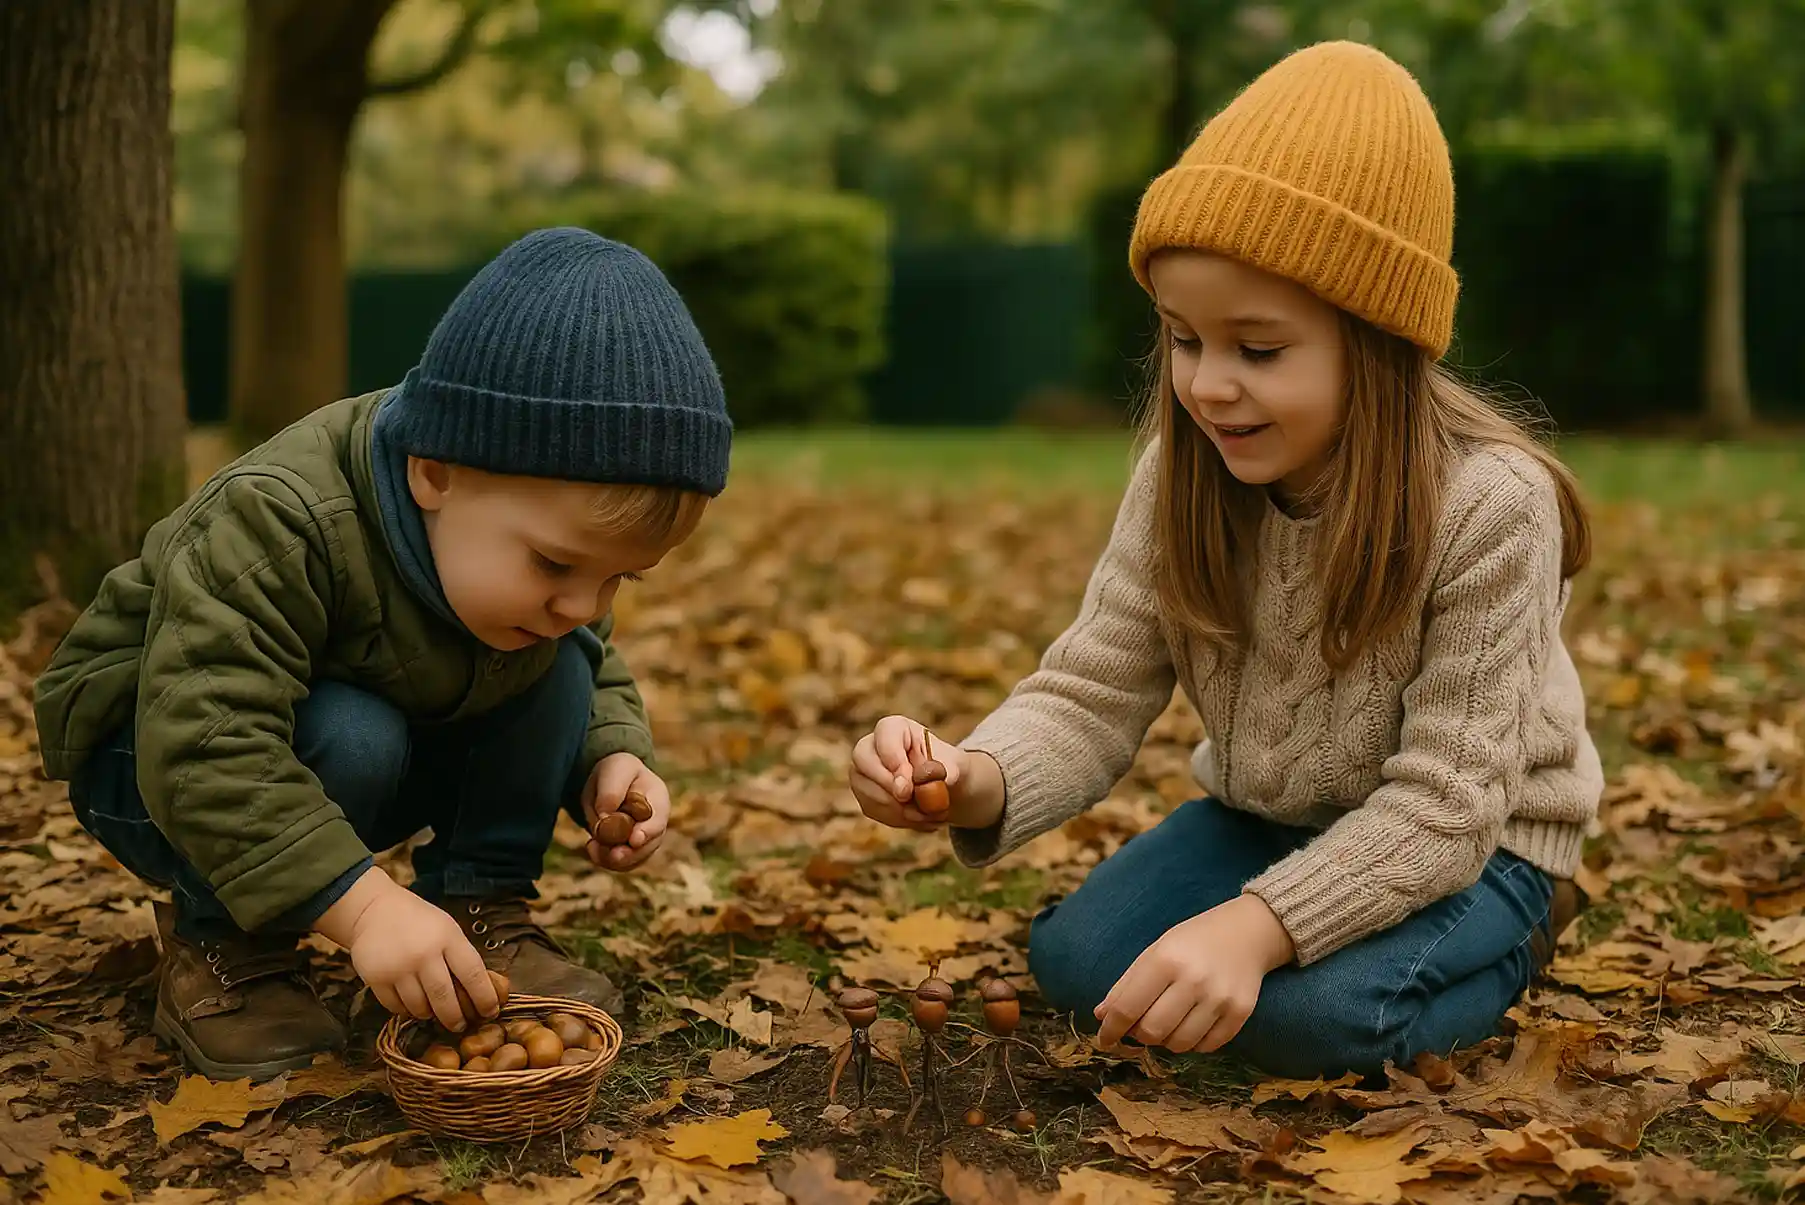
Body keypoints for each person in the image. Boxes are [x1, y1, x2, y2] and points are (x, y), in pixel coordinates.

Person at [847, 41, 1602, 1080]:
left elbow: (1444, 809)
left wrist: (1248, 934)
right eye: (1182, 338)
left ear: (1378, 340)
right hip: (1268, 819)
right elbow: (1088, 691)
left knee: (1319, 1020)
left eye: (1256, 348)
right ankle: (1280, 924)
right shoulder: (1181, 473)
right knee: (1075, 960)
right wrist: (964, 775)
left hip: (1477, 848)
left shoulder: (1490, 504)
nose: (1206, 386)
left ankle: (1516, 937)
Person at [34, 227, 732, 1081]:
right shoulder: (279, 517)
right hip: (155, 759)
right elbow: (206, 736)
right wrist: (365, 911)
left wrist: (610, 753)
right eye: (553, 562)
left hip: (345, 730)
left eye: (619, 577)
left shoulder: (515, 572)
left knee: (555, 662)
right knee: (354, 731)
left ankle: (478, 906)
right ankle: (226, 946)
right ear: (433, 474)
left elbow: (588, 648)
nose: (584, 602)